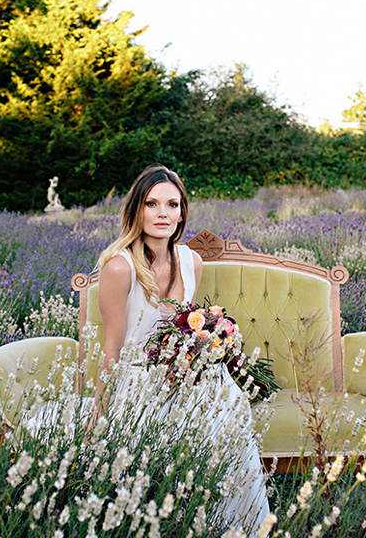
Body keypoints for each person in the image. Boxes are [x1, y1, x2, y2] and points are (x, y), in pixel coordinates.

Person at [92, 166, 270, 535]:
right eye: (151, 204)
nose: (162, 214)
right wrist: (100, 411)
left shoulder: (191, 260)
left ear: (182, 212)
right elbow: (113, 345)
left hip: (190, 375)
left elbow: (186, 324)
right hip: (141, 379)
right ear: (137, 211)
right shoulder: (119, 267)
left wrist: (207, 342)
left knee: (227, 410)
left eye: (172, 205)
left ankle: (230, 525)